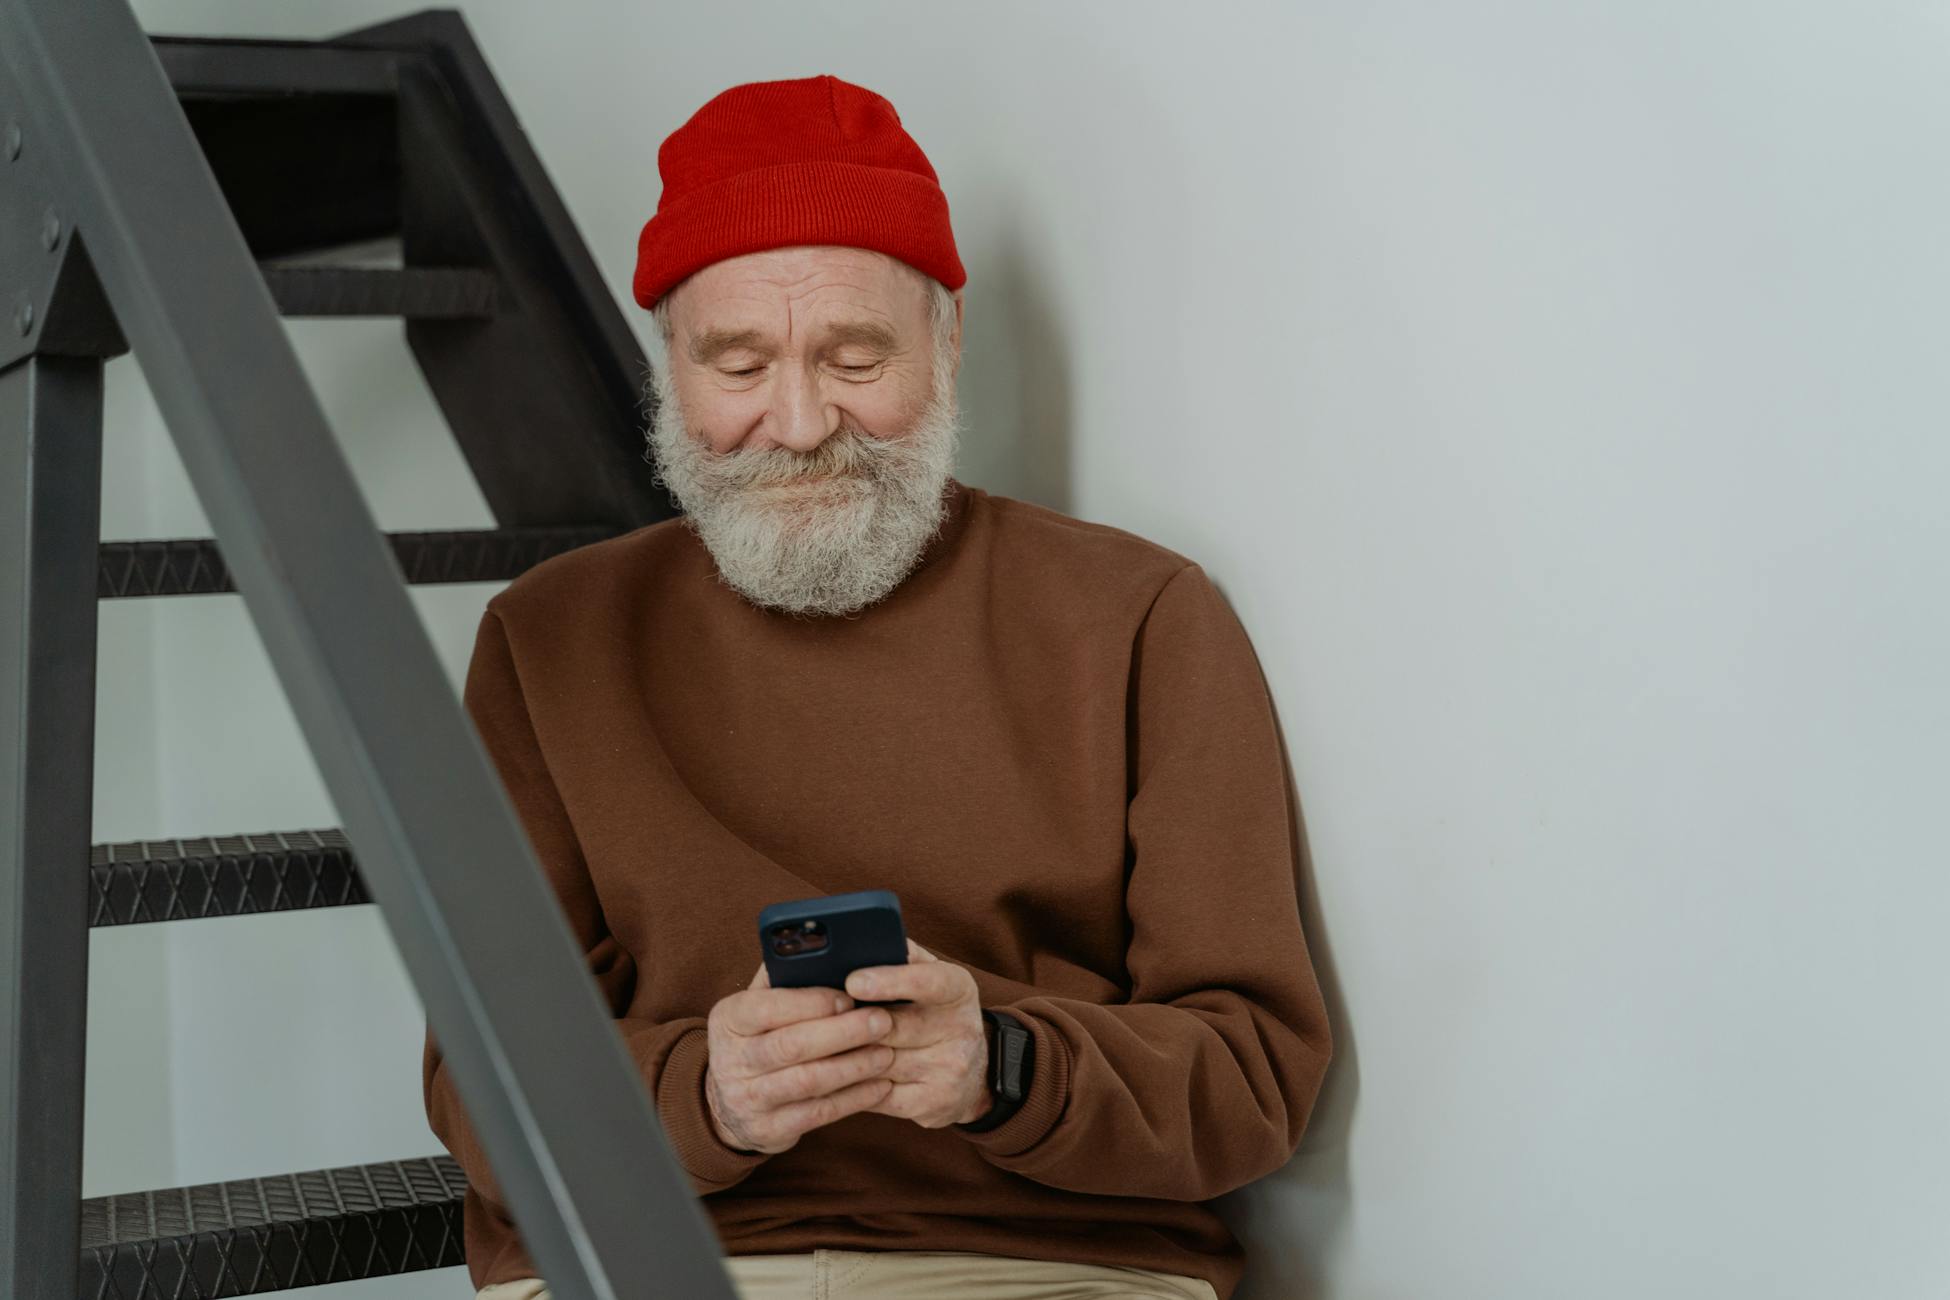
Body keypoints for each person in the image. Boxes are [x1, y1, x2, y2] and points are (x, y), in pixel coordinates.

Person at [427, 73, 1333, 1300]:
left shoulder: (1140, 615)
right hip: (655, 1260)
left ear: (946, 342)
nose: (801, 423)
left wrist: (1003, 1066)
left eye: (854, 356)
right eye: (738, 363)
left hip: (1038, 1272)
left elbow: (1255, 1075)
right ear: (669, 368)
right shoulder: (547, 638)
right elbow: (483, 1083)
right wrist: (707, 1096)